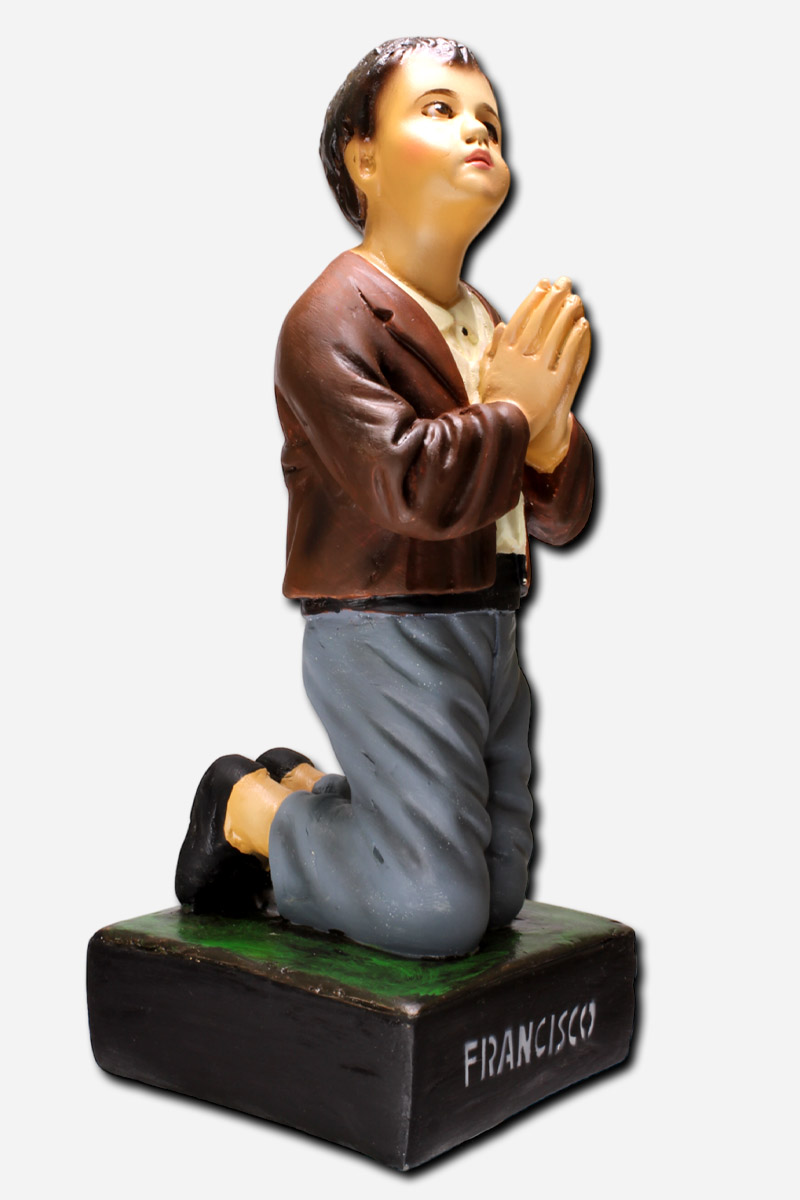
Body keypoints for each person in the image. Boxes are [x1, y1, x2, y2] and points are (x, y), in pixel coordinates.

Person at [176, 36, 594, 958]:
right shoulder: (331, 318)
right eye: (439, 110)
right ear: (363, 158)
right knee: (433, 910)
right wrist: (514, 416)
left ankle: (313, 796)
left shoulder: (484, 324)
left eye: (489, 121)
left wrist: (550, 440)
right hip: (386, 623)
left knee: (496, 895)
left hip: (490, 619)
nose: (476, 131)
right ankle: (249, 809)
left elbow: (559, 516)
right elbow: (407, 484)